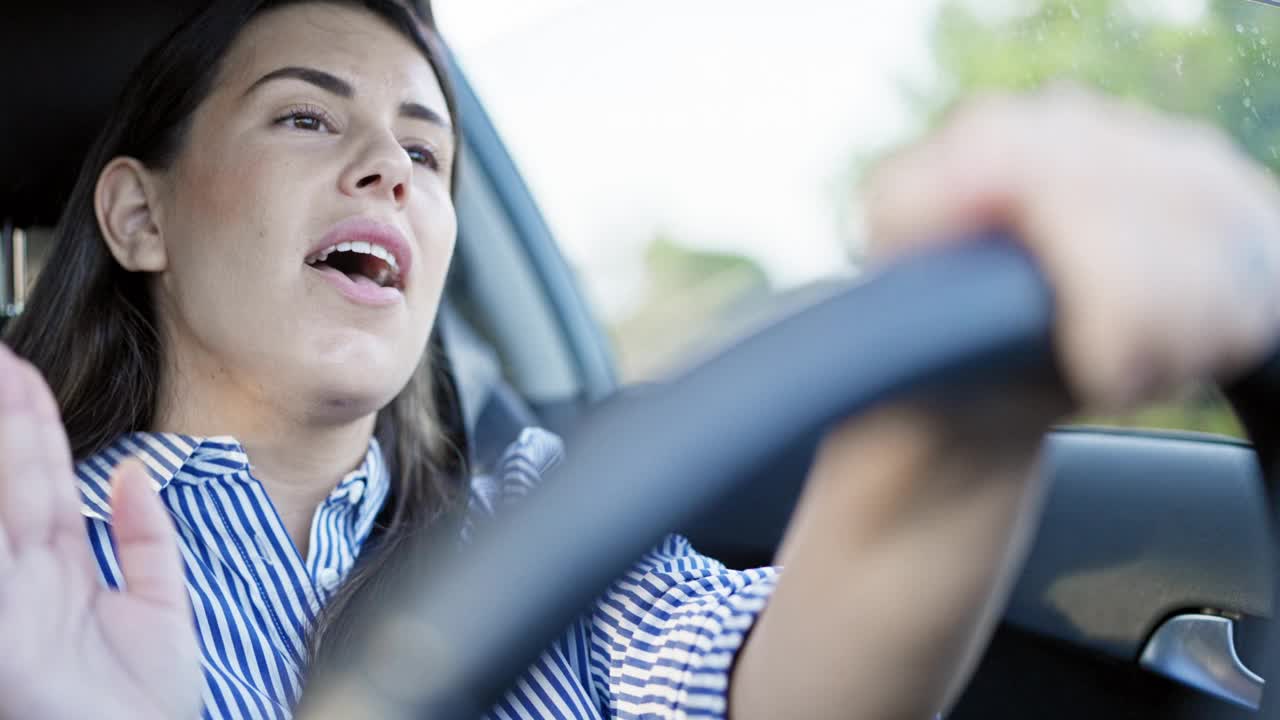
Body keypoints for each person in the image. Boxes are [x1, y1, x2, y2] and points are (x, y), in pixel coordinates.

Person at [2, 1, 1279, 719]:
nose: (388, 168)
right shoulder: (28, 567)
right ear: (139, 216)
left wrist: (965, 414)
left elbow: (792, 696)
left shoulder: (536, 512)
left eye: (426, 152)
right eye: (304, 115)